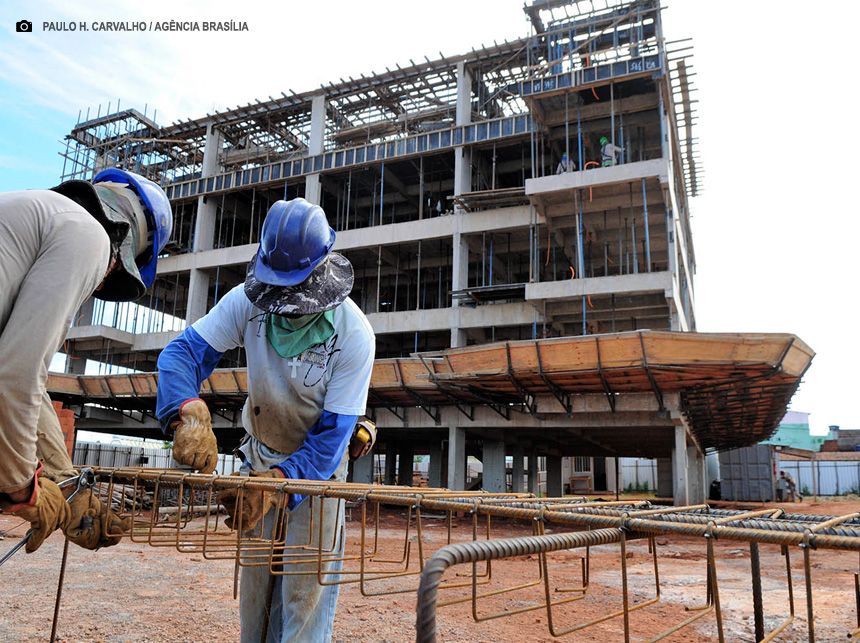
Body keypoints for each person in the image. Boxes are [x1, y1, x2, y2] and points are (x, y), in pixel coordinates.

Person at [155, 197, 375, 643]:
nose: (286, 304)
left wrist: (278, 483)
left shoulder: (354, 335)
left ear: (321, 274)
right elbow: (183, 354)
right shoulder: (248, 302)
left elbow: (332, 437)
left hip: (317, 477)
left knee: (304, 595)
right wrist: (187, 412)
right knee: (256, 593)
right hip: (258, 458)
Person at [0, 168, 172, 552]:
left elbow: (25, 378)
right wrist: (22, 488)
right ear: (123, 248)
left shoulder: (33, 213)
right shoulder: (90, 236)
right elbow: (15, 377)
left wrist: (66, 484)